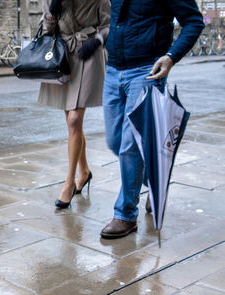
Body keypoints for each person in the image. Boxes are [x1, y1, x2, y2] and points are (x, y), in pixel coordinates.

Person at [100, 0, 204, 239]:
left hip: (146, 70)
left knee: (130, 146)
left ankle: (125, 214)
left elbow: (194, 21)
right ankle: (155, 180)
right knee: (115, 141)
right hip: (114, 68)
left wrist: (171, 56)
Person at [38, 0, 110, 209]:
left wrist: (96, 41)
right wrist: (52, 9)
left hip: (88, 54)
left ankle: (69, 183)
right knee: (73, 125)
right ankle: (84, 171)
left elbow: (108, 25)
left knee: (74, 119)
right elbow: (47, 29)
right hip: (62, 56)